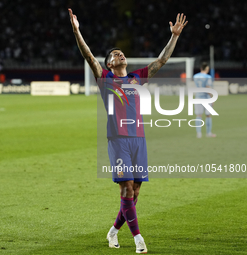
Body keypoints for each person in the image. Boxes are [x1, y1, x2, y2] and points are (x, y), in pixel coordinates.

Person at [69, 9, 187, 253]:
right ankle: (138, 240)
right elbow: (89, 56)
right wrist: (77, 31)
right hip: (119, 140)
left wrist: (174, 36)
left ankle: (113, 231)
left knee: (135, 193)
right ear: (109, 64)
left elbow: (161, 61)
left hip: (139, 139)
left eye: (121, 53)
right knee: (126, 188)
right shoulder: (105, 80)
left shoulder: (137, 78)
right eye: (114, 55)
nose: (119, 55)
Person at [194, 62, 216, 138]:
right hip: (206, 98)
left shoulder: (195, 76)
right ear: (207, 69)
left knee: (198, 115)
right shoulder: (208, 77)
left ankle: (199, 133)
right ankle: (208, 133)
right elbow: (207, 88)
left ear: (201, 68)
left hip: (198, 97)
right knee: (208, 115)